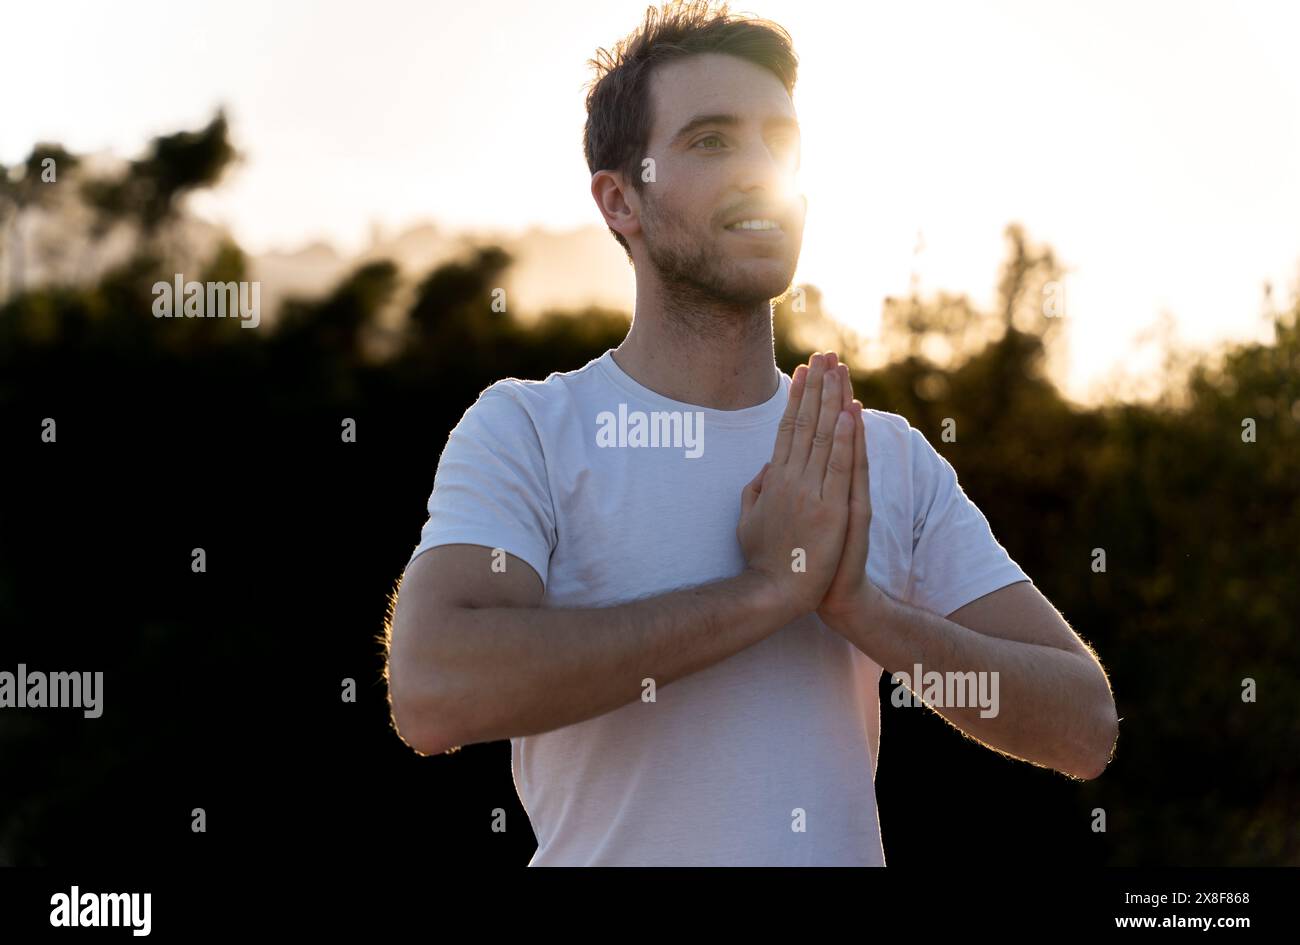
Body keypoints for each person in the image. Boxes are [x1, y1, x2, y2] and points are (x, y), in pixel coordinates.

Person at [386, 0, 1118, 866]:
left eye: (780, 141)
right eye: (710, 141)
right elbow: (432, 692)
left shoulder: (878, 454)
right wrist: (767, 593)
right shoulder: (530, 432)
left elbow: (1085, 728)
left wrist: (862, 611)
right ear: (621, 199)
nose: (760, 170)